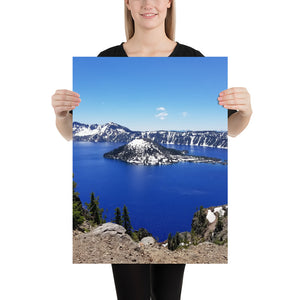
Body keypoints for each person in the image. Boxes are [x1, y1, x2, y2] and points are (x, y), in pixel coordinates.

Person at [52, 1, 252, 299]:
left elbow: (231, 130)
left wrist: (246, 112)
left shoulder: (193, 58)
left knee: (168, 295)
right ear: (128, 4)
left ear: (170, 3)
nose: (149, 4)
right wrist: (60, 115)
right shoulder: (106, 58)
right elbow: (69, 134)